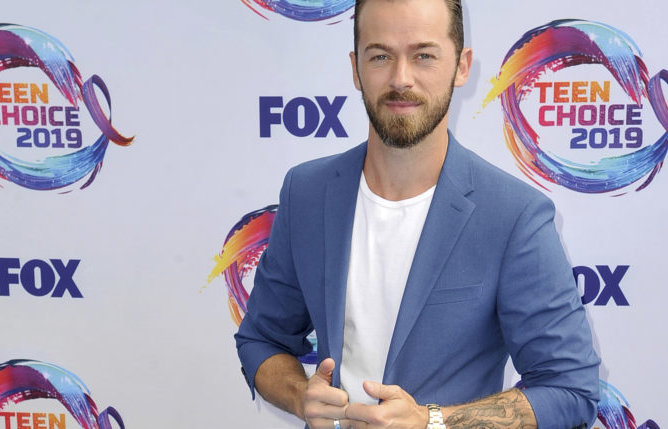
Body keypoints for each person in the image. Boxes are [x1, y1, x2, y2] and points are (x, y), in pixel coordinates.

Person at [235, 0, 600, 428]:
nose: (400, 78)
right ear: (355, 68)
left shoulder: (513, 215)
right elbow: (262, 339)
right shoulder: (307, 192)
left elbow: (570, 389)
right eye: (380, 56)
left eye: (424, 55)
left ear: (462, 67)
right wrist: (301, 396)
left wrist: (433, 422)